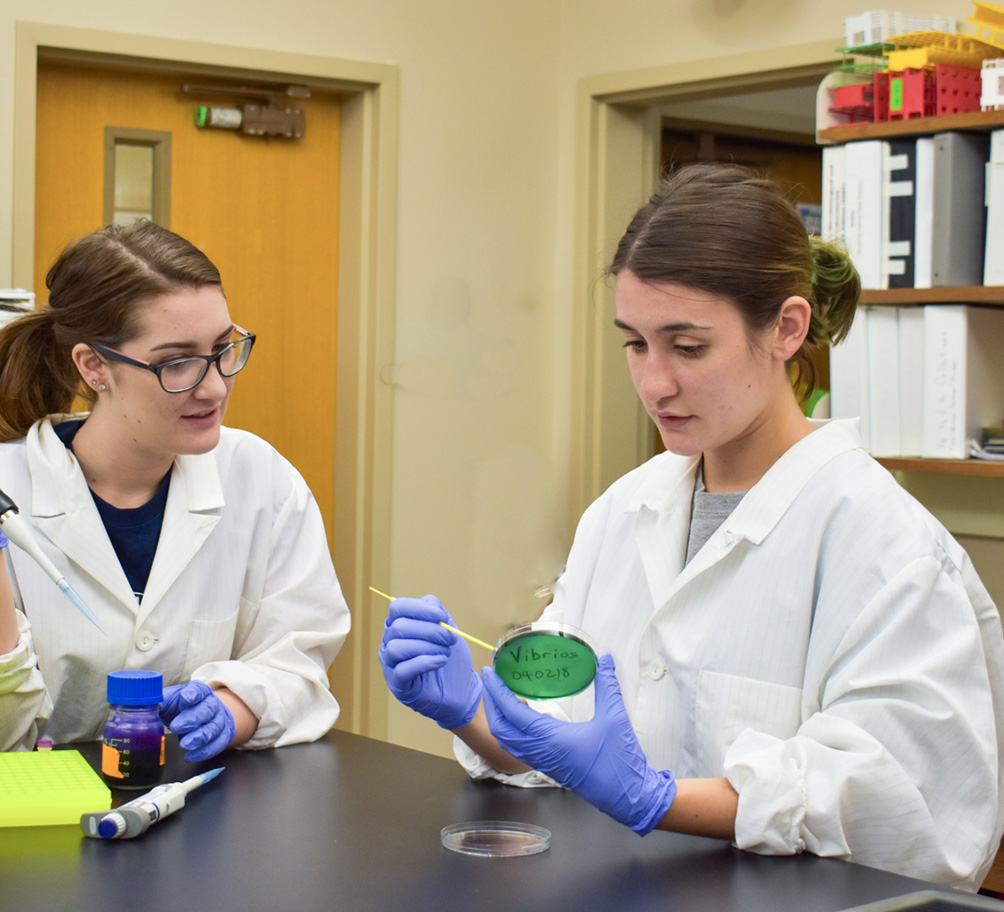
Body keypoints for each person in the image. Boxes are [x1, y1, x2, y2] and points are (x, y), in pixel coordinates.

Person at [379, 165, 1004, 891]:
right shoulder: (624, 511)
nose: (654, 383)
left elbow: (908, 807)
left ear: (787, 329)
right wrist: (473, 714)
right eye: (636, 344)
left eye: (688, 346)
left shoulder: (889, 547)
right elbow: (570, 742)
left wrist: (657, 798)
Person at [0, 220, 350, 762]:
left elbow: (298, 660)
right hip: (35, 823)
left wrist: (235, 708)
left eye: (222, 348)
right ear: (94, 367)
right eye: (176, 362)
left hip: (204, 814)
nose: (213, 386)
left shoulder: (261, 479)